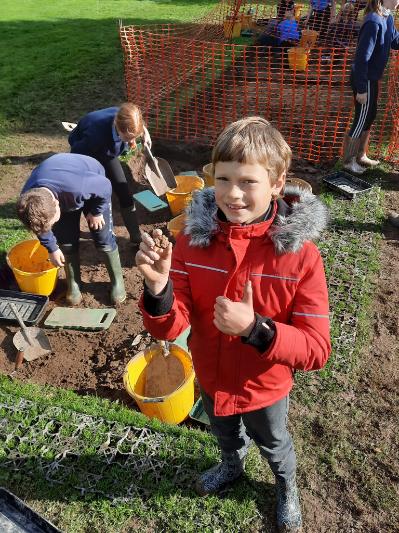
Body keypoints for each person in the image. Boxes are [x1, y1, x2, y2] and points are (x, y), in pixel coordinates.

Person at [136, 117, 331, 532]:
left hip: (265, 387)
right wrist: (159, 290)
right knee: (224, 432)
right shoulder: (192, 242)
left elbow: (317, 348)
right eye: (222, 178)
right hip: (210, 373)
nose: (232, 193)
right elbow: (171, 327)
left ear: (278, 183)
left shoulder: (301, 257)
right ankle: (231, 466)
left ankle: (286, 485)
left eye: (248, 181)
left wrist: (256, 330)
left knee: (274, 444)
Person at [16, 153, 126, 305]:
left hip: (91, 180)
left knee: (102, 236)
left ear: (56, 204)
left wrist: (96, 211)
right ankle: (74, 283)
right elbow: (39, 226)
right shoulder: (27, 203)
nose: (49, 228)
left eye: (51, 222)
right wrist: (52, 248)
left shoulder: (79, 187)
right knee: (66, 240)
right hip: (61, 187)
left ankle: (117, 281)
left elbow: (105, 186)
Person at [68, 103, 152, 244]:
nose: (132, 142)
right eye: (127, 139)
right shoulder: (95, 137)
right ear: (118, 128)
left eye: (134, 138)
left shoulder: (126, 117)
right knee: (94, 194)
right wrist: (92, 209)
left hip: (107, 147)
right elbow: (77, 158)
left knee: (123, 190)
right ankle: (101, 236)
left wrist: (144, 133)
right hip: (86, 156)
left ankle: (135, 236)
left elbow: (136, 126)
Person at [342, 0, 399, 174]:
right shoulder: (373, 21)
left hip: (372, 78)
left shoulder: (387, 18)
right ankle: (348, 162)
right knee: (361, 119)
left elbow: (395, 40)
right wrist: (361, 89)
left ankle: (361, 154)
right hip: (364, 79)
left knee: (371, 114)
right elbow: (362, 59)